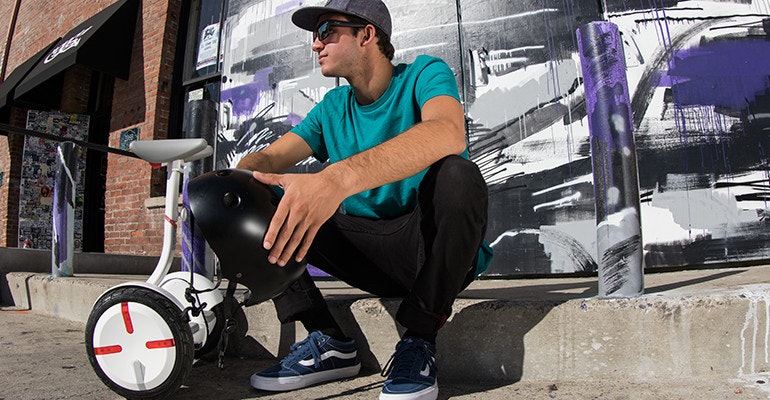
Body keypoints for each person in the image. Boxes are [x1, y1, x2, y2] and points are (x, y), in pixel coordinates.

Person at [236, 0, 493, 399]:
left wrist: (336, 178)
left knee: (459, 176)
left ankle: (419, 339)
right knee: (252, 197)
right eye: (315, 36)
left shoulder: (424, 74)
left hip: (431, 253)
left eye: (326, 31)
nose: (315, 44)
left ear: (366, 34)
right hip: (366, 255)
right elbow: (268, 160)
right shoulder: (332, 109)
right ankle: (328, 340)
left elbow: (447, 132)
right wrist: (243, 178)